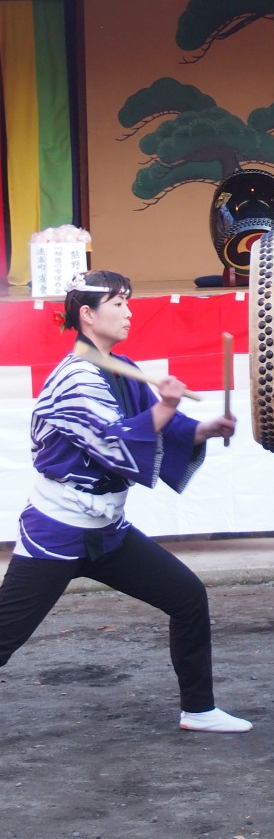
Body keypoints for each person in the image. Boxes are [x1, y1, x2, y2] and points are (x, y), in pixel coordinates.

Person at [0, 268, 252, 734]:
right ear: (88, 315)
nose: (128, 311)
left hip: (108, 530)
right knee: (5, 635)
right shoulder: (75, 377)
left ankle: (198, 709)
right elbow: (112, 439)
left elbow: (154, 426)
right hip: (59, 528)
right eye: (117, 303)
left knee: (187, 597)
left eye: (128, 301)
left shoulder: (123, 367)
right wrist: (168, 406)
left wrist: (200, 429)